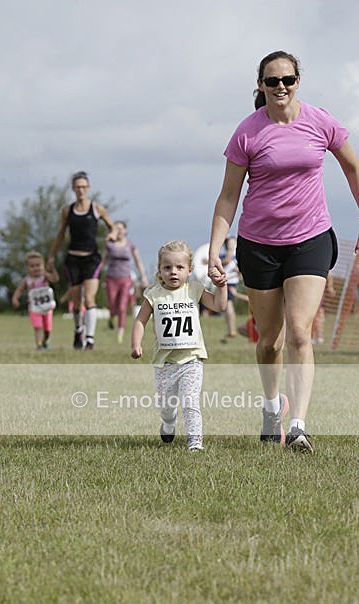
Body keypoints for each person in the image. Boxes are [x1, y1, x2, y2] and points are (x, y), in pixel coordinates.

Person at [207, 50, 359, 452]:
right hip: (260, 244)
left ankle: (298, 425)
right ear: (260, 86)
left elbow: (355, 168)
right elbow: (229, 196)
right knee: (269, 340)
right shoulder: (247, 132)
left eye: (287, 79)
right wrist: (216, 248)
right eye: (272, 81)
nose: (280, 87)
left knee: (300, 331)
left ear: (298, 80)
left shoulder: (320, 121)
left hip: (310, 238)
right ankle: (271, 409)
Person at [131, 240, 227, 451]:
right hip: (165, 363)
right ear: (160, 269)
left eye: (179, 267)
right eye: (167, 267)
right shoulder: (153, 294)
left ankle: (195, 442)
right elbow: (140, 321)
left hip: (191, 360)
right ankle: (168, 422)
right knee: (166, 407)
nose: (173, 272)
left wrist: (221, 286)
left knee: (190, 402)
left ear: (189, 270)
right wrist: (136, 343)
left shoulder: (195, 290)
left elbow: (219, 305)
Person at [47, 171, 115, 350]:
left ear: (88, 188)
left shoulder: (97, 209)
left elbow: (112, 226)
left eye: (84, 187)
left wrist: (112, 235)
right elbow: (61, 234)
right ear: (73, 189)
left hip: (91, 258)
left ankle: (90, 339)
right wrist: (51, 257)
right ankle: (78, 330)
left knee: (90, 298)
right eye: (78, 187)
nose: (81, 190)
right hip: (73, 259)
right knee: (76, 302)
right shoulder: (67, 211)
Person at [102, 220, 149, 343]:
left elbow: (138, 261)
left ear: (125, 230)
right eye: (116, 228)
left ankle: (120, 334)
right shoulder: (109, 245)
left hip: (126, 279)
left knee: (122, 307)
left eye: (121, 228)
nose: (119, 230)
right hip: (111, 278)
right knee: (112, 305)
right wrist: (96, 275)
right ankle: (111, 318)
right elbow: (103, 261)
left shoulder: (130, 245)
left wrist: (143, 276)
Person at [12, 251, 59, 350]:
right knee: (38, 327)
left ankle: (45, 341)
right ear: (27, 268)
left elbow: (55, 279)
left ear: (43, 265)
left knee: (47, 329)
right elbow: (20, 289)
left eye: (38, 265)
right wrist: (15, 298)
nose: (36, 268)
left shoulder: (44, 276)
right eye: (32, 266)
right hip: (34, 309)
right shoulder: (27, 280)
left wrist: (52, 270)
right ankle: (39, 345)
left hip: (47, 307)